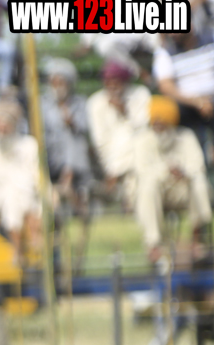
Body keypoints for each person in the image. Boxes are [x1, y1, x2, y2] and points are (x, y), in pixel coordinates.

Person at [133, 96, 212, 261]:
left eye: (162, 123)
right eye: (155, 123)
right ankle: (153, 243)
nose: (158, 126)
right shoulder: (142, 140)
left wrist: (183, 173)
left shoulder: (186, 137)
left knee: (199, 183)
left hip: (182, 190)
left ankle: (197, 238)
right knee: (147, 185)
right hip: (158, 192)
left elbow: (197, 167)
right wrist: (166, 170)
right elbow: (142, 171)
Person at [0, 100, 42, 262]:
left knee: (18, 192)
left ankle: (22, 248)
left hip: (27, 196)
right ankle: (24, 245)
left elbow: (38, 179)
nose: (2, 129)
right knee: (11, 195)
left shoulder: (29, 145)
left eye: (6, 124)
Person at [87, 61, 151, 204]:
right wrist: (112, 168)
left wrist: (124, 112)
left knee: (140, 146)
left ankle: (116, 187)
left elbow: (142, 131)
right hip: (111, 160)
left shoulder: (140, 94)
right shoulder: (95, 103)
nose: (112, 86)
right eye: (108, 82)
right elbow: (101, 141)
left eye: (116, 81)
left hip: (139, 158)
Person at [41, 58, 93, 216]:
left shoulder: (80, 102)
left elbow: (84, 128)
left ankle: (68, 179)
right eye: (54, 82)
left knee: (74, 138)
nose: (57, 86)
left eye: (61, 82)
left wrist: (69, 118)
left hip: (75, 159)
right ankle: (67, 187)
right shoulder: (42, 103)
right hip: (50, 154)